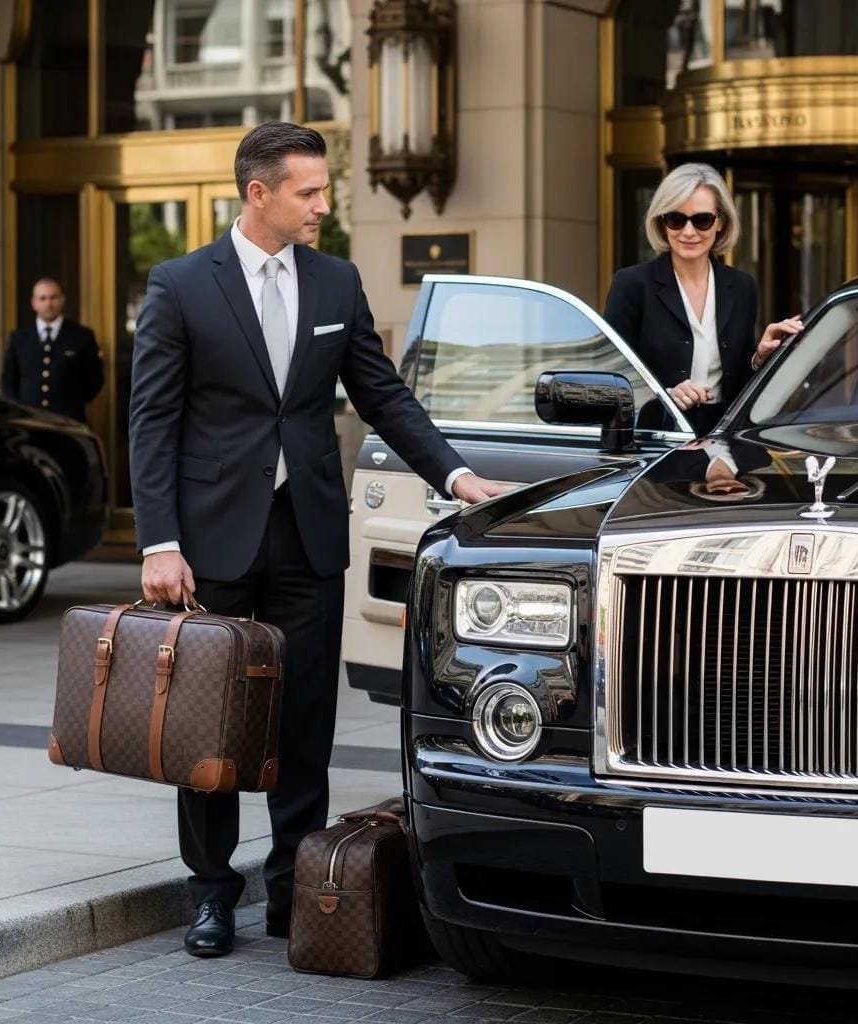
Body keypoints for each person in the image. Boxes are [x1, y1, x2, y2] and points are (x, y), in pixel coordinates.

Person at [129, 122, 506, 959]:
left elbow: (382, 392)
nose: (322, 206)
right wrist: (160, 541)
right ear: (258, 193)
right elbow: (151, 422)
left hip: (307, 539)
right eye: (308, 191)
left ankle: (295, 894)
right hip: (210, 545)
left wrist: (454, 474)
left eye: (323, 190)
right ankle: (210, 894)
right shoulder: (181, 284)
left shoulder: (335, 282)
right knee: (213, 731)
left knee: (303, 724)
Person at [603, 162, 803, 434]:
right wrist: (667, 396)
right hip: (655, 441)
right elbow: (611, 379)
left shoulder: (742, 287)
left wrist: (759, 357)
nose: (688, 232)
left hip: (724, 441)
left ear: (720, 222)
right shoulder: (632, 284)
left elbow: (737, 384)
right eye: (676, 219)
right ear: (662, 223)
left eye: (702, 220)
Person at [1, 277, 104, 422]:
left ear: (62, 300)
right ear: (34, 303)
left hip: (68, 420)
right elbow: (8, 380)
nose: (48, 304)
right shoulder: (19, 338)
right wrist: (19, 411)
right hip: (29, 420)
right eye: (42, 298)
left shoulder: (82, 336)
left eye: (53, 298)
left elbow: (94, 380)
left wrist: (73, 404)